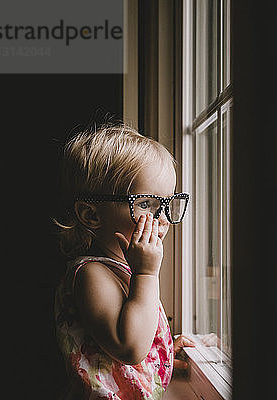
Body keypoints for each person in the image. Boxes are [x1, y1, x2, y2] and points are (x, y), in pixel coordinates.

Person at [53, 123, 194, 399]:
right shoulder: (91, 274)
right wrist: (147, 274)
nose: (162, 218)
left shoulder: (122, 269)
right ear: (92, 215)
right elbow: (129, 347)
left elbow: (128, 346)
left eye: (167, 204)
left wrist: (161, 353)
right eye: (146, 205)